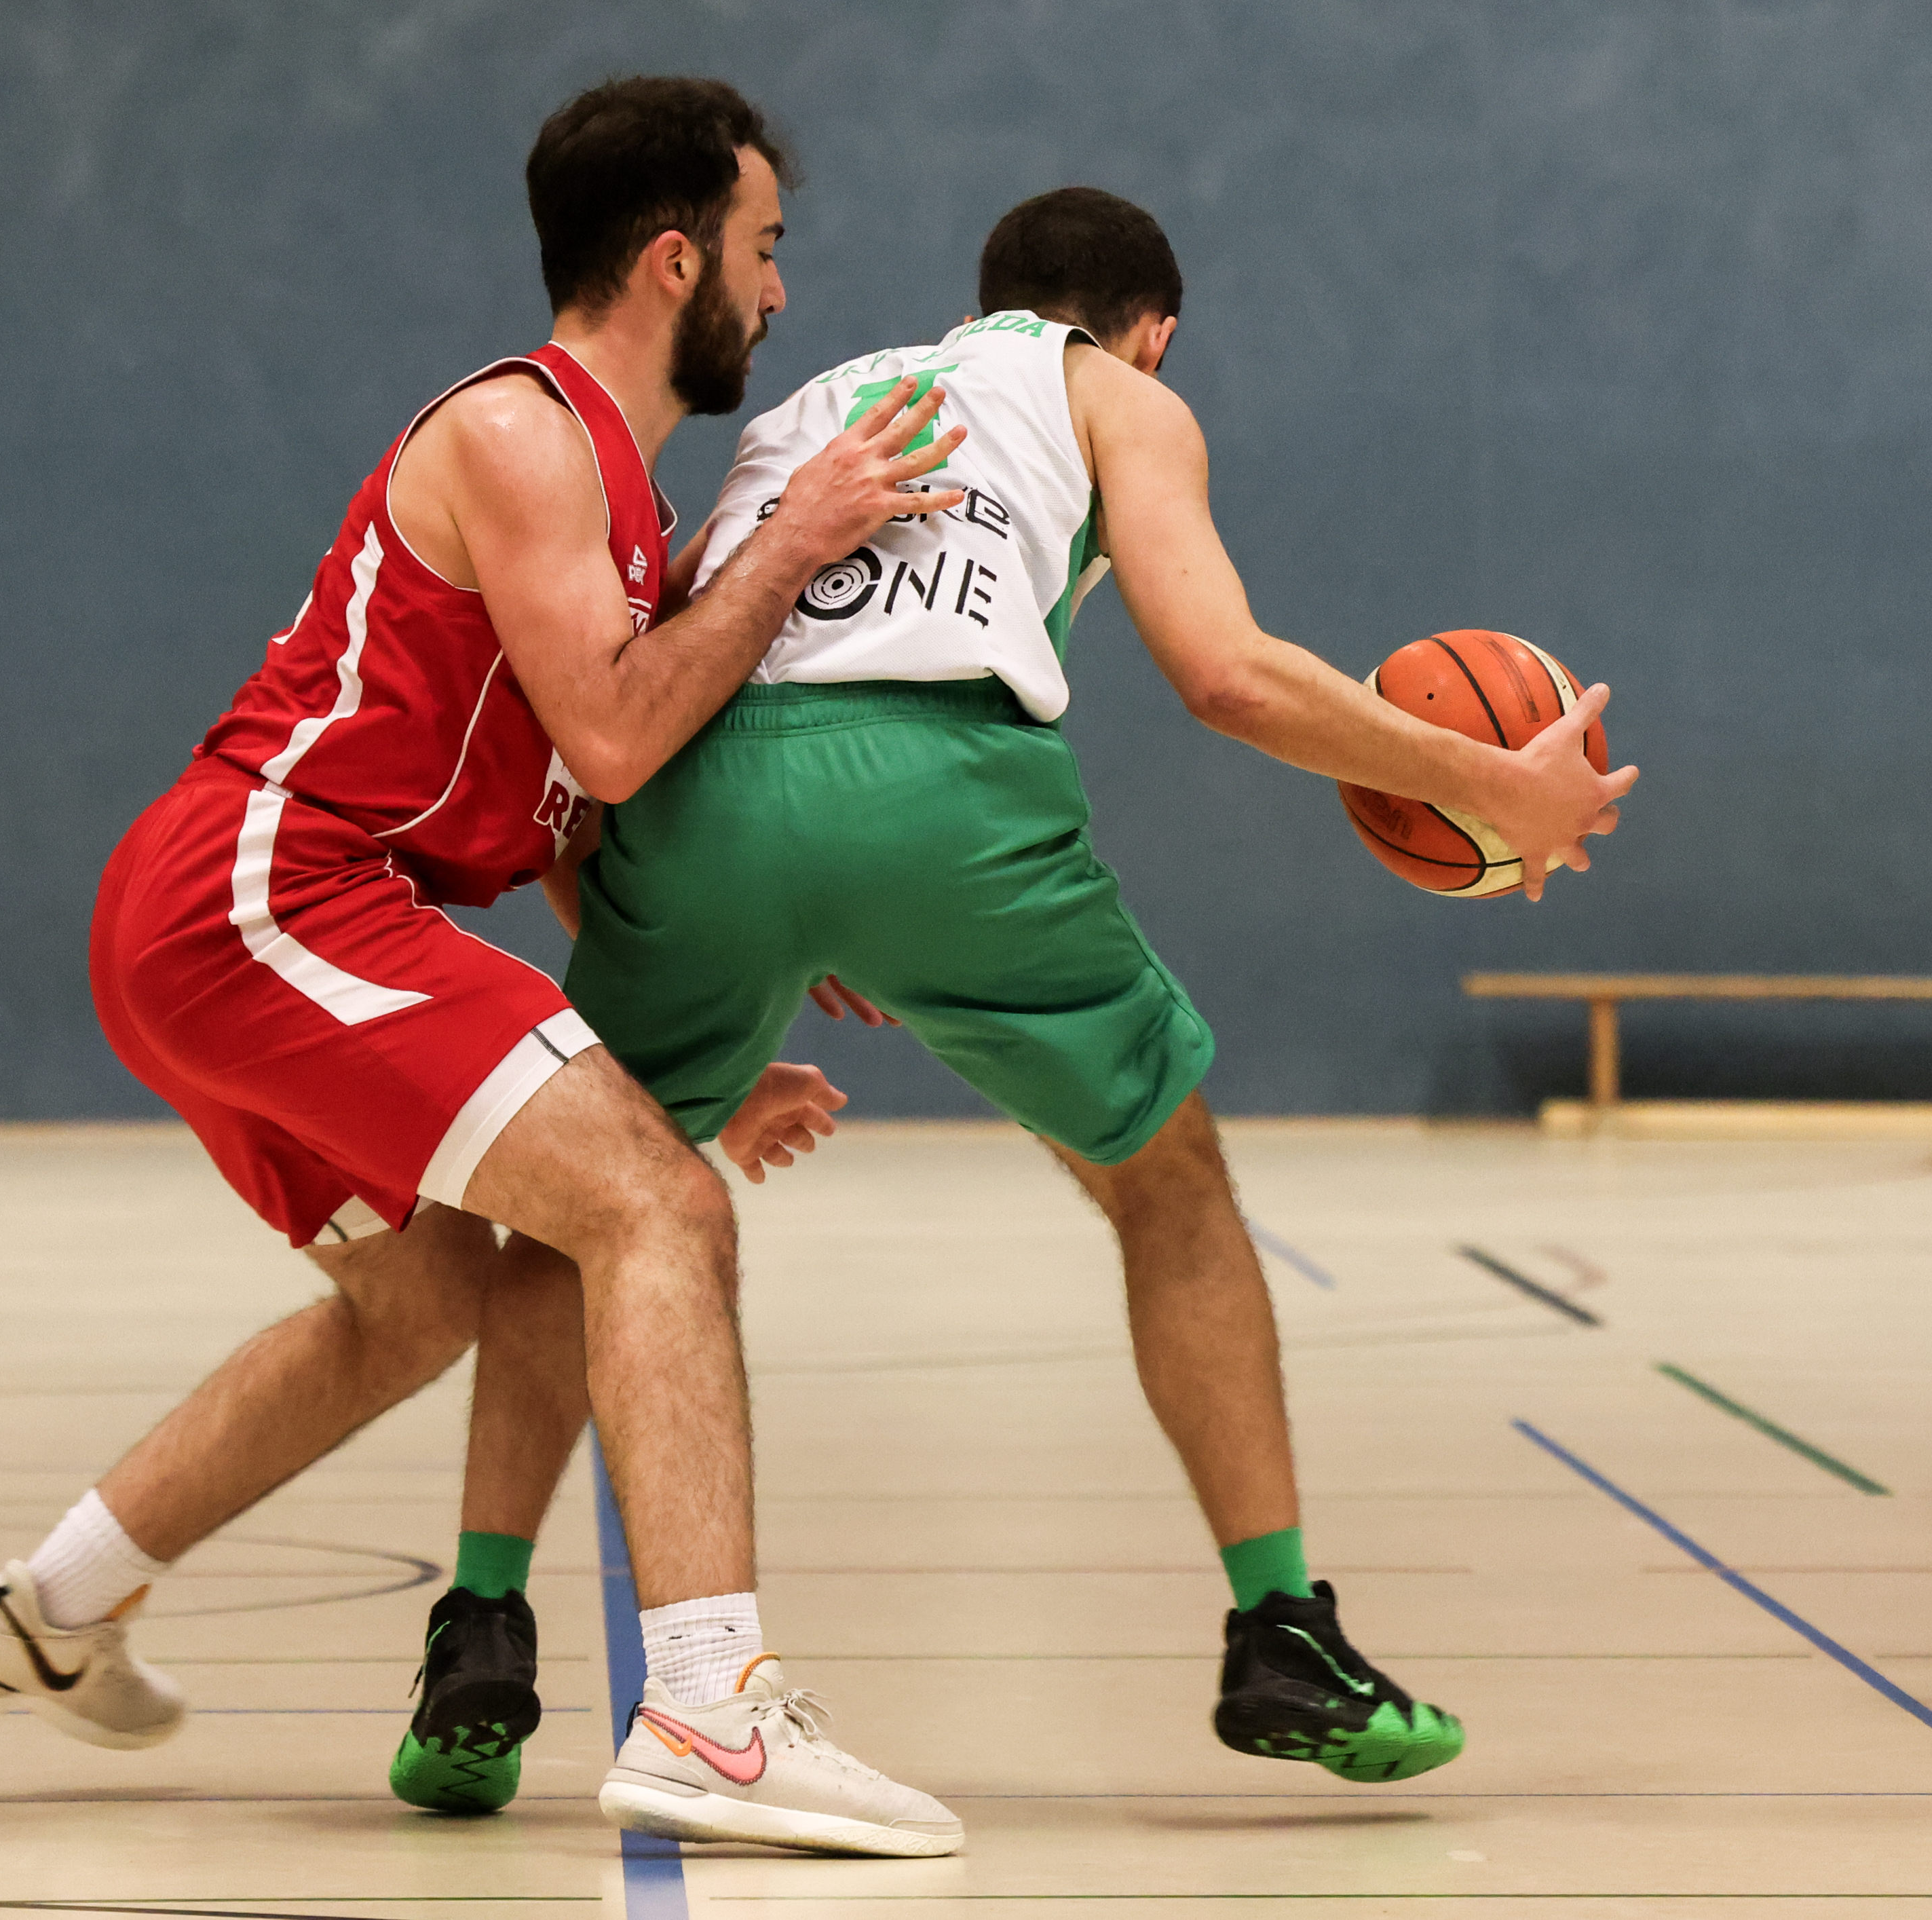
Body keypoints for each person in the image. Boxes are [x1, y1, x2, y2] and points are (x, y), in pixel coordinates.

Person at [446, 186, 1641, 1796]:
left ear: (981, 301)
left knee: (591, 1210)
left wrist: (781, 892)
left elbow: (679, 651)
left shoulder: (817, 400)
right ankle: (1279, 1624)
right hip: (947, 796)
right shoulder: (1116, 398)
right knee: (1172, 1184)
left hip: (701, 799)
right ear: (1151, 334)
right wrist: (1485, 777)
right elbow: (1224, 669)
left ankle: (478, 1628)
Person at [0, 77, 972, 1860]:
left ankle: (48, 1605)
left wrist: (705, 1039)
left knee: (421, 1303)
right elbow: (620, 736)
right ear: (674, 260)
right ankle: (713, 1710)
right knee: (656, 1209)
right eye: (764, 245)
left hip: (249, 915)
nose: (779, 288)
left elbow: (570, 817)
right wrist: (796, 541)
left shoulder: (613, 495)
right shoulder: (523, 434)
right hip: (272, 892)